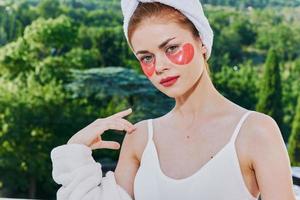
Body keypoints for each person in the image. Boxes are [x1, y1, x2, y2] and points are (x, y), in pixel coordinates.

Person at [50, 0, 296, 199]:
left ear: (201, 41)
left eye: (171, 48)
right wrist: (75, 151)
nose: (160, 67)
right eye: (146, 57)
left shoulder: (255, 132)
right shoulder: (140, 137)